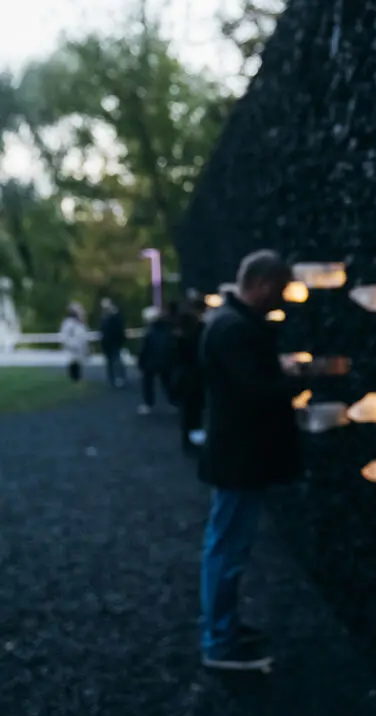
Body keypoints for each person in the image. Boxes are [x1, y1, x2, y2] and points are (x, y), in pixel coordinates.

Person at [197, 249, 304, 671]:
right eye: (278, 291)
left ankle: (222, 631)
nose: (281, 300)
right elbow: (256, 391)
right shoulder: (235, 329)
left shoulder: (228, 324)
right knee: (226, 549)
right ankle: (220, 642)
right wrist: (293, 379)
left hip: (236, 456)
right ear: (261, 285)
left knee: (225, 545)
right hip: (239, 458)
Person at [174, 295, 207, 456]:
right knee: (196, 410)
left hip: (184, 375)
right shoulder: (201, 330)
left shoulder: (181, 331)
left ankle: (188, 440)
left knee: (188, 411)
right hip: (197, 375)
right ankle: (195, 438)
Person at [137, 307, 174, 415]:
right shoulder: (168, 329)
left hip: (150, 362)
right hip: (165, 361)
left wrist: (141, 363)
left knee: (148, 384)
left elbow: (144, 349)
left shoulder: (149, 332)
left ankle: (148, 404)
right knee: (167, 383)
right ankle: (172, 402)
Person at [98, 298, 127, 388]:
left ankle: (120, 378)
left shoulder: (114, 317)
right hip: (108, 343)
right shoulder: (104, 317)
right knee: (111, 362)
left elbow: (120, 330)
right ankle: (112, 379)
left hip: (114, 342)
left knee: (116, 361)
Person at [58, 303, 90, 383]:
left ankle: (78, 379)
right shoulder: (68, 323)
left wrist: (86, 347)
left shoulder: (80, 324)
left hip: (80, 349)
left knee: (79, 365)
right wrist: (72, 344)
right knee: (74, 365)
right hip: (72, 350)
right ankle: (74, 379)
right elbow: (64, 337)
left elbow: (84, 336)